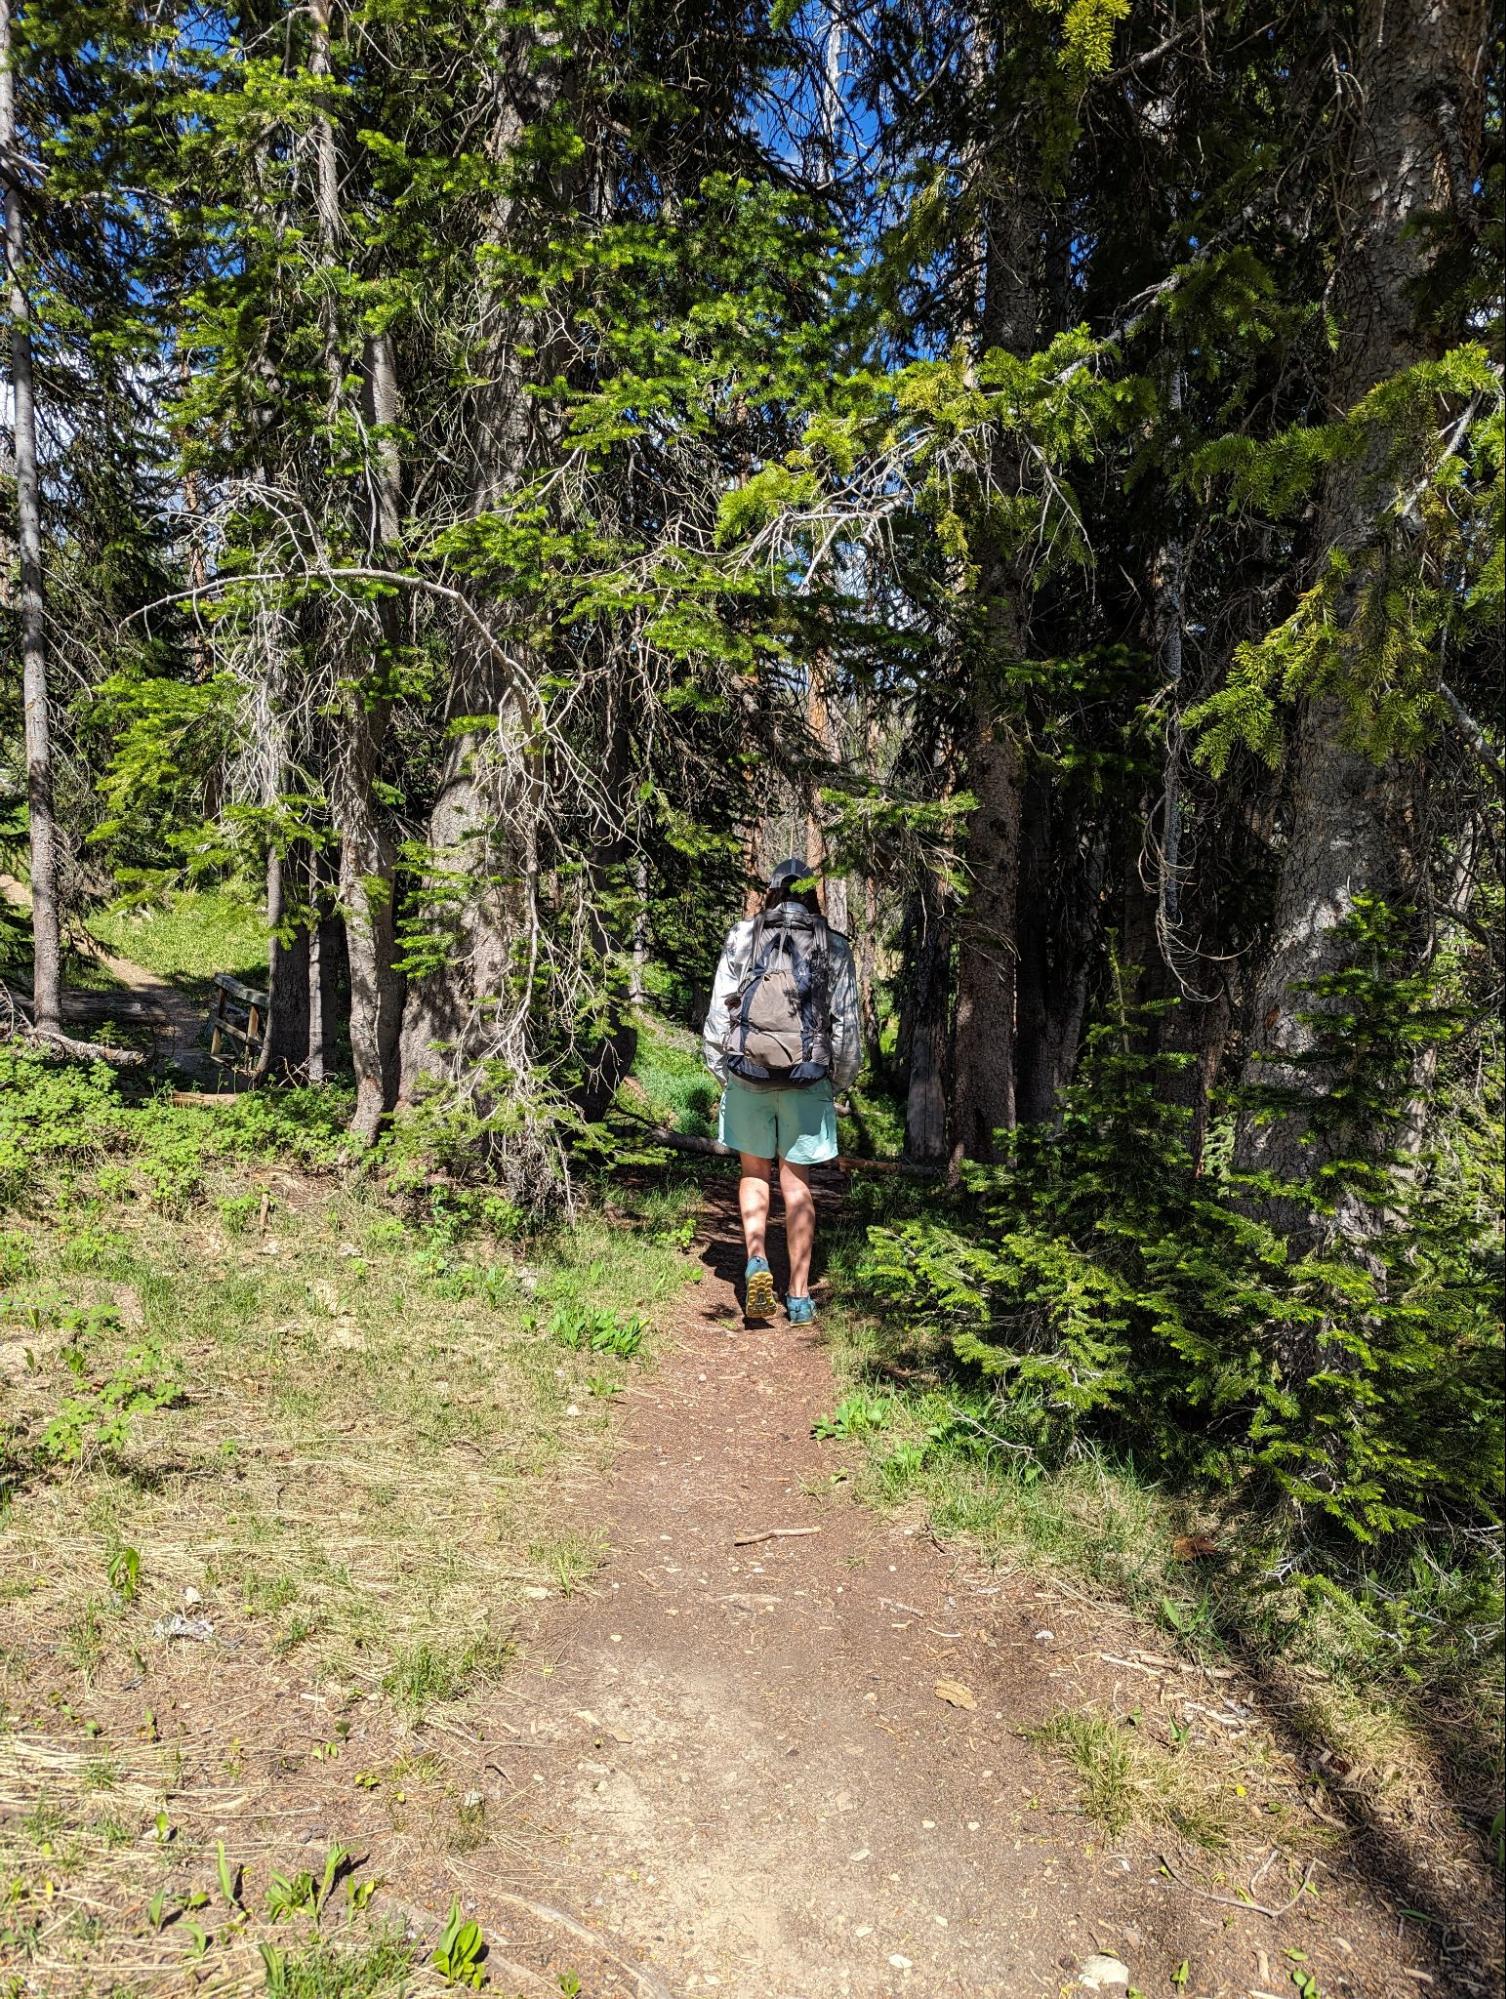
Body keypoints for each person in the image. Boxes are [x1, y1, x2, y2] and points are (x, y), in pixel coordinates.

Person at [702, 858, 862, 1325]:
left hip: (747, 1073)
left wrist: (723, 1071)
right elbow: (846, 1023)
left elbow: (719, 1013)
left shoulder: (742, 936)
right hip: (808, 1078)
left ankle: (755, 1260)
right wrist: (839, 1079)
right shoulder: (832, 945)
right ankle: (797, 1296)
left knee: (754, 1174)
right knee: (797, 1185)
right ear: (814, 896)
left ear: (770, 893)